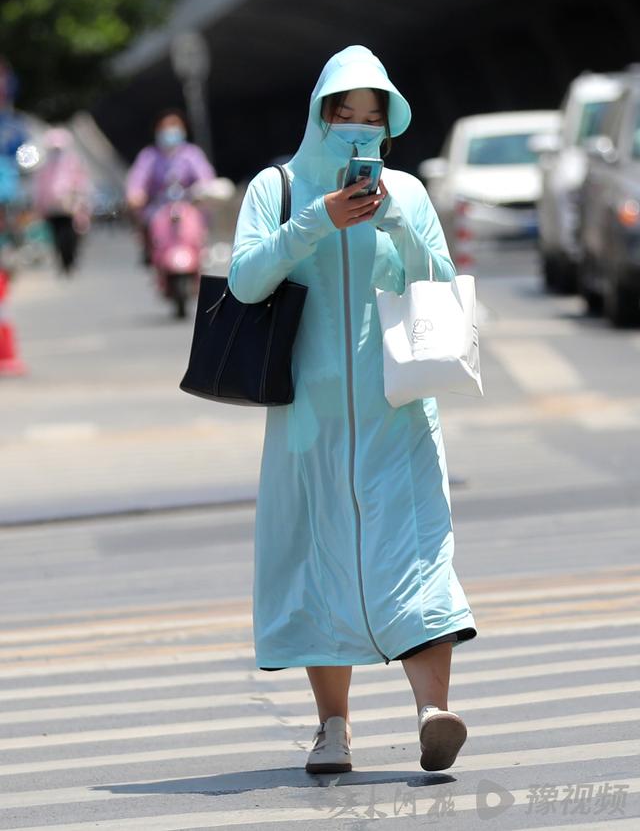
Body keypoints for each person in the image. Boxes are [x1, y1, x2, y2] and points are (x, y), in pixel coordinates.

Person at [228, 45, 478, 775]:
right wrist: (316, 221)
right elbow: (245, 282)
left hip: (397, 410)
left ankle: (434, 711)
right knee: (317, 563)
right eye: (346, 116)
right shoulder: (274, 189)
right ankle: (331, 728)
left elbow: (440, 284)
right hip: (310, 420)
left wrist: (397, 223)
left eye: (374, 118)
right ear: (320, 115)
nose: (359, 131)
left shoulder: (405, 190)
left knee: (419, 558)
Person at [126, 110, 215, 264]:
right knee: (145, 218)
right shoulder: (149, 156)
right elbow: (137, 179)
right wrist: (135, 195)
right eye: (165, 127)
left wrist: (206, 190)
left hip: (188, 206)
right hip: (158, 208)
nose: (170, 131)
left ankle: (201, 249)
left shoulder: (192, 154)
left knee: (200, 218)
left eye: (174, 126)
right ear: (157, 131)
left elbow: (206, 178)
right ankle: (150, 250)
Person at [32, 127, 91, 274]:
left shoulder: (73, 162)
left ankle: (70, 260)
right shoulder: (45, 165)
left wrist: (80, 199)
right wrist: (39, 206)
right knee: (56, 236)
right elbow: (40, 187)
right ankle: (63, 262)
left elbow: (81, 181)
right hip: (51, 208)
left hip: (69, 206)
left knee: (69, 235)